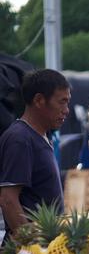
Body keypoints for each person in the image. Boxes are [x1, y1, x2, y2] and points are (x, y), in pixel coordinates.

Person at [0, 69, 69, 235]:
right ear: (39, 100)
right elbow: (8, 199)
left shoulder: (41, 136)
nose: (66, 110)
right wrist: (32, 247)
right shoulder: (20, 139)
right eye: (62, 102)